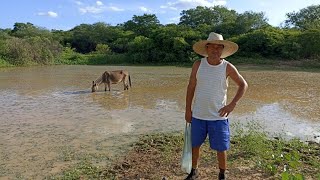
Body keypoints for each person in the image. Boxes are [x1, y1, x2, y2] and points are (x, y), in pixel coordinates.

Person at [184, 32, 248, 180]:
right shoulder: (198, 64)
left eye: (219, 47)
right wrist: (188, 110)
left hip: (219, 117)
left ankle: (222, 174)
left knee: (221, 148)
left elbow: (243, 85)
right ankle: (194, 171)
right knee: (195, 145)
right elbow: (191, 87)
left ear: (222, 50)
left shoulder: (227, 67)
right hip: (198, 115)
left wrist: (232, 105)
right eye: (212, 47)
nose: (215, 50)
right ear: (207, 48)